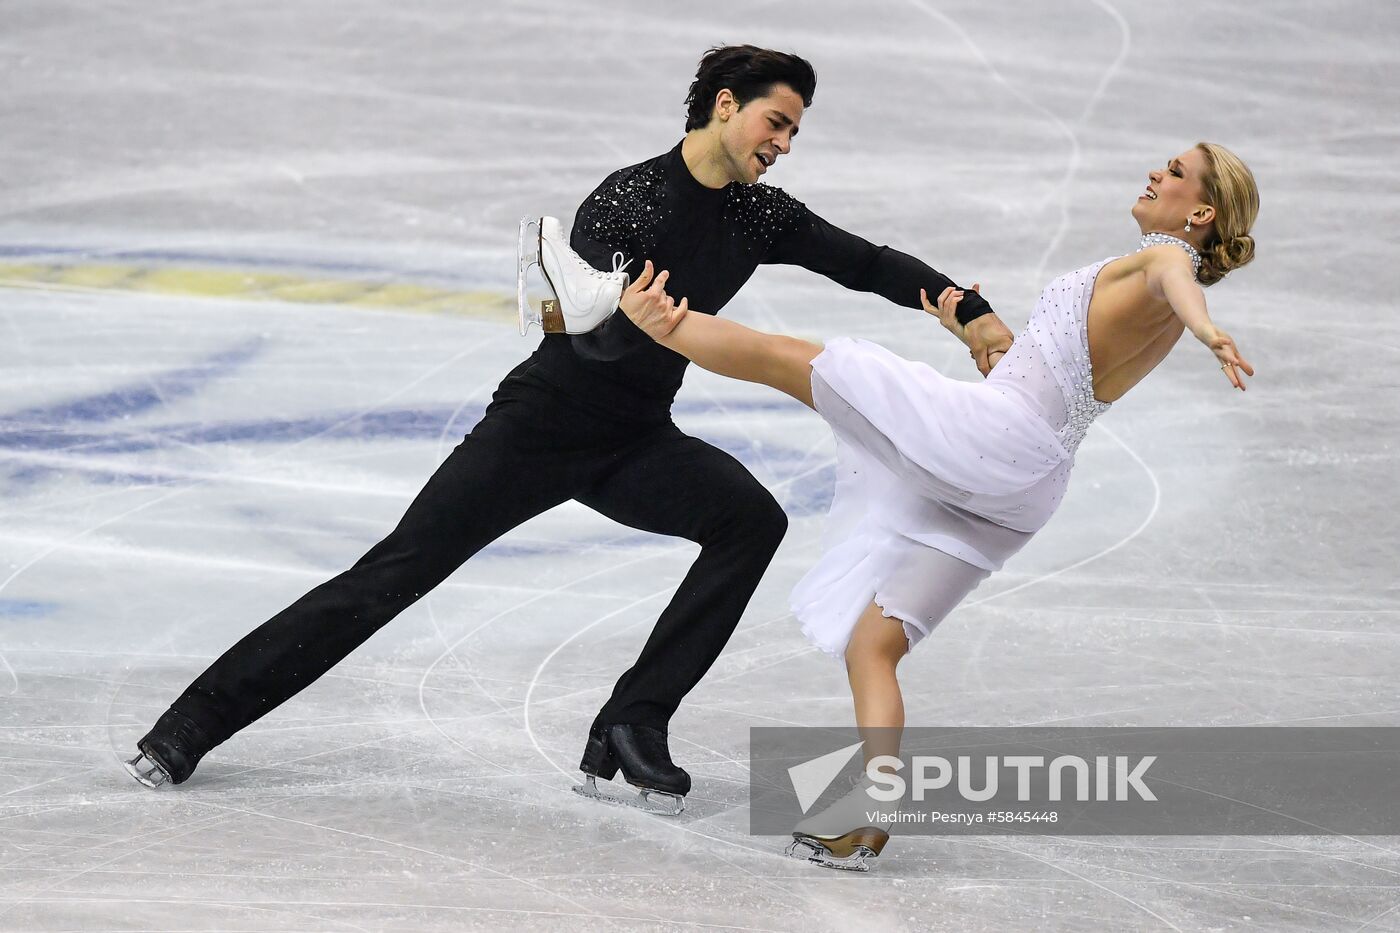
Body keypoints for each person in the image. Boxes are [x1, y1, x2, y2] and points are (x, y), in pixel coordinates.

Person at [124, 45, 1014, 814]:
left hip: (633, 439)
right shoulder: (627, 200)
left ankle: (631, 720)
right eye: (774, 124)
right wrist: (621, 315)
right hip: (539, 429)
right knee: (389, 577)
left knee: (750, 520)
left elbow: (864, 262)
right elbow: (576, 329)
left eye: (793, 135)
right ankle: (189, 725)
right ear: (725, 105)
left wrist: (960, 305)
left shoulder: (759, 215)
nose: (781, 147)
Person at [614, 141, 1258, 861]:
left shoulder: (1166, 260)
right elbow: (1058, 374)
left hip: (994, 439)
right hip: (1027, 481)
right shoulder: (1149, 293)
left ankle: (643, 313)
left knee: (796, 361)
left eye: (1174, 173)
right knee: (873, 645)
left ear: (1200, 211)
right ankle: (867, 809)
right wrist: (976, 338)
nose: (1155, 173)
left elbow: (1179, 279)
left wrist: (1210, 331)